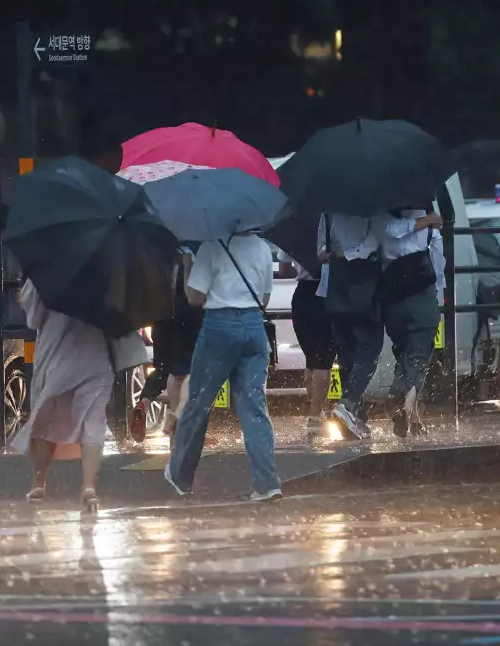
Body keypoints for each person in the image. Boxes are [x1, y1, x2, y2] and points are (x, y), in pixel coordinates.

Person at [164, 231, 281, 502]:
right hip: (254, 328)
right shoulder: (262, 248)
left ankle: (180, 475)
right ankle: (268, 484)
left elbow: (194, 298)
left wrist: (187, 265)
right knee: (254, 407)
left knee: (198, 403)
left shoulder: (211, 244)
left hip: (219, 327)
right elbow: (263, 299)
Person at [12, 279, 118, 512]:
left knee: (44, 420)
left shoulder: (47, 272)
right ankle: (89, 486)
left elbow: (33, 319)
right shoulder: (105, 270)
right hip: (96, 356)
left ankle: (39, 482)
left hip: (57, 357)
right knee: (94, 422)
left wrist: (25, 297)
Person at [377, 208, 445, 437]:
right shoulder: (431, 230)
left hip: (393, 301)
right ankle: (400, 398)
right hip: (422, 299)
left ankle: (413, 416)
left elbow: (390, 233)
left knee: (403, 354)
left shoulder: (380, 222)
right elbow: (438, 267)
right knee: (418, 357)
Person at [319, 213, 384, 440]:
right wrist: (349, 254)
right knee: (370, 347)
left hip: (336, 288)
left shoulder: (328, 208)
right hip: (363, 287)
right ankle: (347, 405)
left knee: (346, 352)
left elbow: (321, 250)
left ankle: (356, 416)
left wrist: (336, 255)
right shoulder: (369, 203)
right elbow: (373, 243)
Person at [138, 244, 203, 443]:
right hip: (190, 312)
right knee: (191, 371)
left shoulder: (158, 242)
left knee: (165, 369)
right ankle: (176, 416)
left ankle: (145, 401)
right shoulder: (200, 241)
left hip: (162, 313)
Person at [274, 245, 336, 439]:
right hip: (327, 293)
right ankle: (315, 416)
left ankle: (317, 411)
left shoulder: (296, 232)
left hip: (302, 296)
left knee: (311, 359)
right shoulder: (330, 232)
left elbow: (283, 269)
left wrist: (301, 268)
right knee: (323, 360)